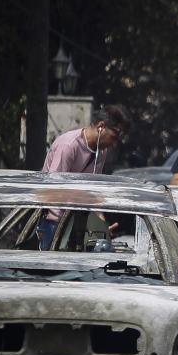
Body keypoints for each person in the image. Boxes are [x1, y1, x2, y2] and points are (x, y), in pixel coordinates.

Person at [38, 104, 131, 250]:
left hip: (78, 222)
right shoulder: (68, 146)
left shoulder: (101, 152)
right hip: (53, 221)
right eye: (115, 136)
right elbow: (54, 190)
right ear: (101, 126)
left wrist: (101, 224)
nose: (114, 143)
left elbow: (92, 192)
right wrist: (59, 230)